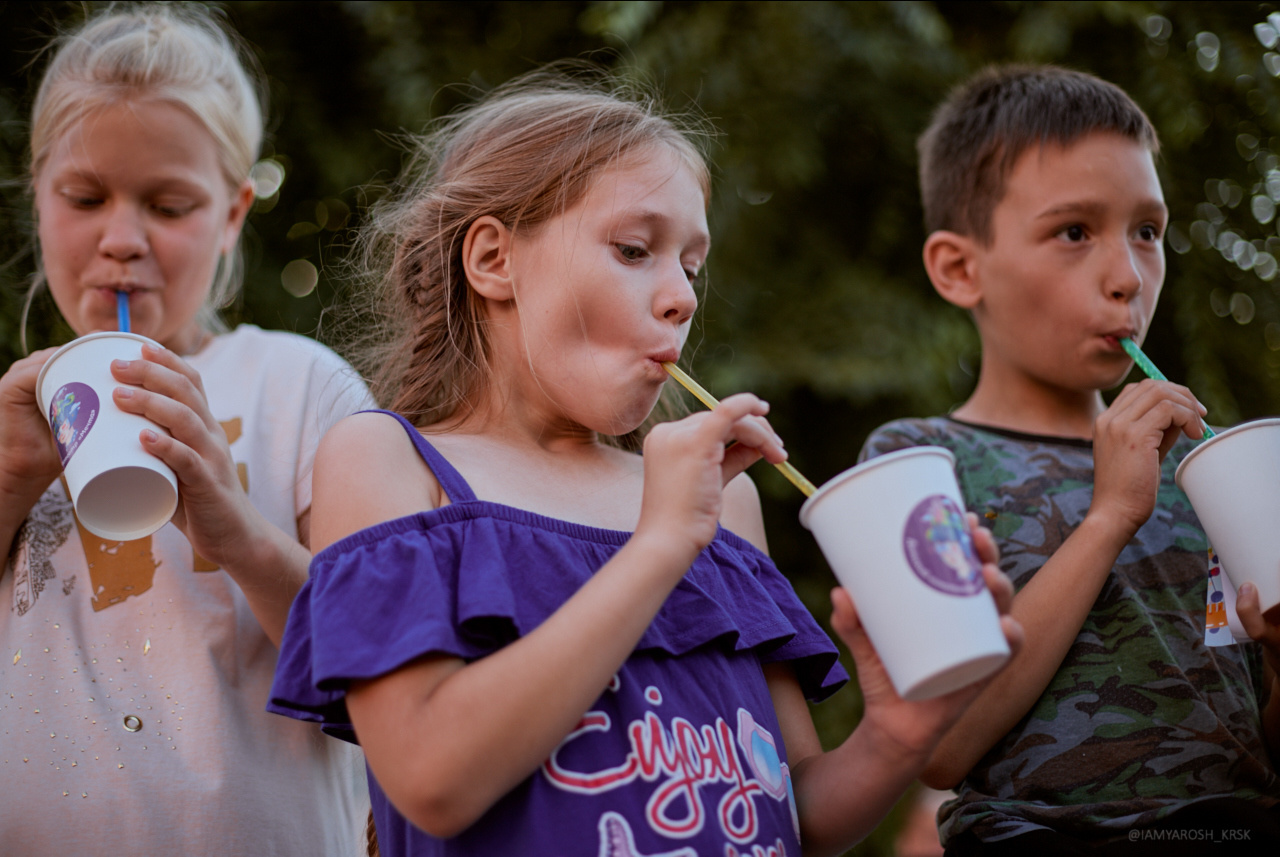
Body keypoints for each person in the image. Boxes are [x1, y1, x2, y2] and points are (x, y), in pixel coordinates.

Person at [266, 71, 1022, 857]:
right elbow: (432, 777)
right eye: (635, 249)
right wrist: (658, 546)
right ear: (493, 259)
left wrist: (897, 732)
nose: (683, 298)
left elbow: (798, 813)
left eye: (691, 268)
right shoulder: (389, 461)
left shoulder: (722, 507)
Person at [860, 64, 1280, 856]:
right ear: (960, 268)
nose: (1127, 277)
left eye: (1147, 232)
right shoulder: (916, 462)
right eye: (1074, 232)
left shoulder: (1204, 472)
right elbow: (944, 745)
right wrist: (1110, 516)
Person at [0, 6, 371, 854]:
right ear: (37, 195)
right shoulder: (10, 417)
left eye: (168, 204)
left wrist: (235, 528)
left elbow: (386, 678)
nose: (122, 239)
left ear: (235, 212)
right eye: (85, 197)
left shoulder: (301, 388)